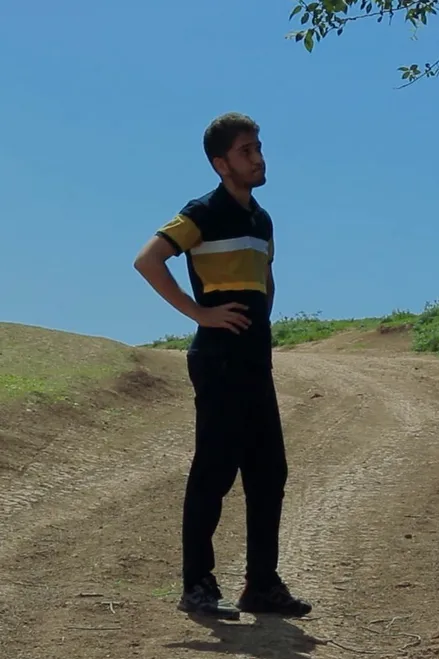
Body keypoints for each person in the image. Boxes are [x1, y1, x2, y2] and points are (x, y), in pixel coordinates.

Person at [133, 112, 311, 619]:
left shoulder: (261, 219)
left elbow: (266, 279)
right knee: (214, 471)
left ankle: (261, 585)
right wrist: (201, 314)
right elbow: (148, 260)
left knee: (268, 471)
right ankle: (197, 586)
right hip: (217, 361)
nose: (258, 158)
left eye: (258, 148)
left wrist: (263, 324)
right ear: (220, 163)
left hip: (255, 360)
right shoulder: (202, 212)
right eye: (245, 151)